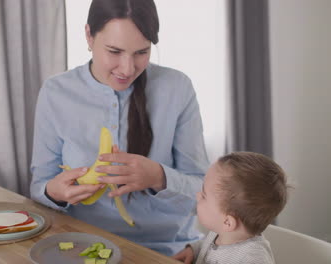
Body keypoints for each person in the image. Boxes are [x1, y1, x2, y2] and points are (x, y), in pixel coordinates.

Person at [30, 0, 209, 256]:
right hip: (84, 248)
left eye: (141, 52)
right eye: (114, 51)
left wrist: (159, 177)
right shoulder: (56, 92)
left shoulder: (177, 88)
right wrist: (55, 192)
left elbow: (204, 193)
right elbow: (40, 187)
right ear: (89, 36)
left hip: (168, 251)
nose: (127, 68)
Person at [173, 152, 289, 264]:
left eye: (204, 196)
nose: (198, 195)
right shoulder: (221, 233)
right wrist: (193, 251)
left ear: (228, 222)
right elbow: (207, 246)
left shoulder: (252, 259)